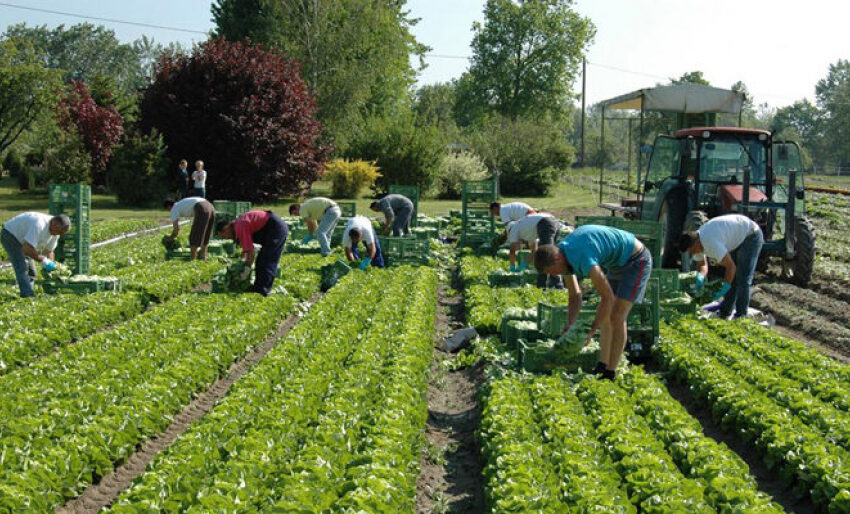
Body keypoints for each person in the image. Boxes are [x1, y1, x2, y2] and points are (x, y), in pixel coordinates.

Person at [533, 224, 652, 380]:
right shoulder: (563, 255)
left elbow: (607, 297)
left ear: (557, 258)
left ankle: (611, 372)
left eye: (551, 271)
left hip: (636, 260)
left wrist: (591, 331)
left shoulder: (584, 257)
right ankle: (602, 365)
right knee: (607, 316)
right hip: (617, 263)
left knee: (616, 316)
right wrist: (570, 325)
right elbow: (575, 294)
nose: (554, 275)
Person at [678, 214, 764, 319]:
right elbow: (703, 265)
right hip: (736, 237)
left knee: (743, 278)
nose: (693, 253)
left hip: (751, 235)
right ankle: (725, 311)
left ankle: (741, 316)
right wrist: (700, 277)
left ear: (696, 243)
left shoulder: (710, 241)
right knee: (734, 278)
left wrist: (725, 287)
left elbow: (731, 267)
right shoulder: (697, 241)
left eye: (692, 251)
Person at [216, 210, 289, 296]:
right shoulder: (237, 225)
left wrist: (247, 270)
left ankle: (263, 291)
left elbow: (251, 252)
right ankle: (259, 288)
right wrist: (242, 261)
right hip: (270, 228)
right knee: (261, 260)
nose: (226, 238)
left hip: (275, 228)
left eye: (224, 236)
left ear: (226, 228)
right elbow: (246, 249)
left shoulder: (239, 227)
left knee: (266, 260)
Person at [1, 212, 71, 297]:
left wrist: (50, 263)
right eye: (59, 232)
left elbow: (49, 251)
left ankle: (29, 291)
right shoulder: (39, 224)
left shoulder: (56, 232)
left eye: (62, 233)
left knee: (32, 271)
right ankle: (27, 296)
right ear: (54, 224)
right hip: (10, 235)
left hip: (25, 241)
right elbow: (26, 248)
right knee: (22, 267)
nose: (59, 234)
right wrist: (42, 260)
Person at [507, 213, 563, 288]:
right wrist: (522, 266)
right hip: (554, 222)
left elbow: (512, 251)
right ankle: (552, 285)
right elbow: (534, 252)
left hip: (545, 223)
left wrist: (512, 268)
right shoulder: (527, 231)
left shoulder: (513, 228)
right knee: (551, 255)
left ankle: (550, 286)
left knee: (545, 256)